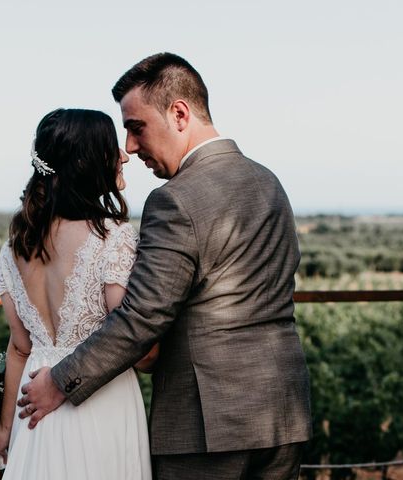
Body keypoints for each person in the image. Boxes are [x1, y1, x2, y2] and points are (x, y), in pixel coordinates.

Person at [18, 53, 313, 479]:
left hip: (206, 423)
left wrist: (61, 380)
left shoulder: (174, 199)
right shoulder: (268, 182)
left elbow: (142, 316)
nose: (131, 148)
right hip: (283, 413)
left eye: (137, 128)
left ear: (179, 114)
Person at [0, 108, 153, 480]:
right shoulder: (115, 239)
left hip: (33, 412)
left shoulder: (14, 248)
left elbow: (19, 348)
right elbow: (130, 336)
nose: (124, 155)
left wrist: (5, 430)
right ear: (86, 162)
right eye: (112, 148)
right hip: (100, 405)